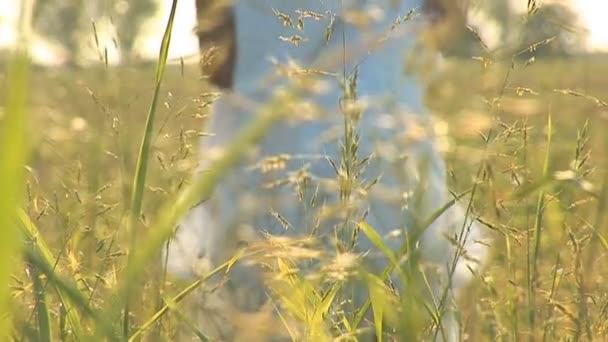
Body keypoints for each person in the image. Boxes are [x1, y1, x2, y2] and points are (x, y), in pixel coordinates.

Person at [165, 0, 488, 340]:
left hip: (291, 112)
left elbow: (216, 58)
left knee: (261, 296)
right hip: (367, 107)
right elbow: (449, 15)